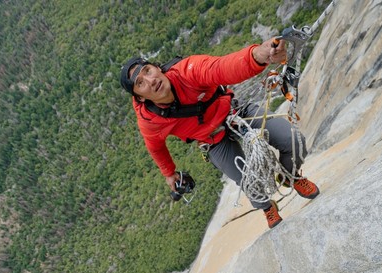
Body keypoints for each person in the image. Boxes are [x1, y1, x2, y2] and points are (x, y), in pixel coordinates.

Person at [119, 38, 320, 228]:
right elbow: (155, 146)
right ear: (140, 98)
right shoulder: (150, 120)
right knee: (247, 180)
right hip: (212, 139)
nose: (151, 80)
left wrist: (259, 55)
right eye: (140, 83)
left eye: (148, 70)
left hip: (235, 111)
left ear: (157, 67)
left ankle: (290, 176)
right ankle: (267, 207)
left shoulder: (188, 71)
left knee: (293, 140)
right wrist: (169, 174)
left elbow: (223, 67)